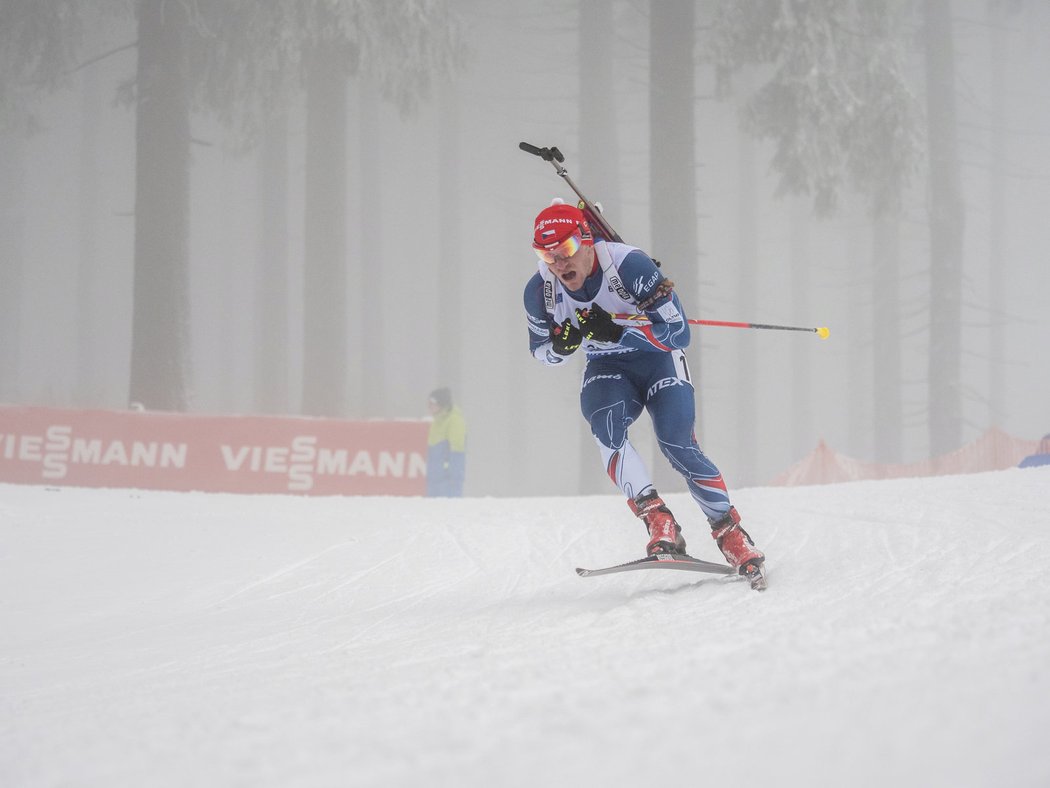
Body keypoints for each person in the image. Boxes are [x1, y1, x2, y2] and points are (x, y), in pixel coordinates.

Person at [522, 199, 765, 584]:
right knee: (605, 424)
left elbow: (678, 332)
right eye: (545, 254)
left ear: (586, 241)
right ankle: (658, 520)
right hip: (608, 368)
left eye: (566, 250)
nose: (558, 263)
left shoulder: (628, 266)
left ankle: (730, 532)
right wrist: (562, 347)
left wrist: (621, 331)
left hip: (658, 361)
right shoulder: (541, 290)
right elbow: (541, 354)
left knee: (676, 441)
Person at [426, 387, 466, 497]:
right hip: (435, 479)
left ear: (441, 404)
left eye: (432, 403)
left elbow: (457, 451)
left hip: (447, 480)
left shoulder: (454, 421)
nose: (429, 407)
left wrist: (453, 477)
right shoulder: (437, 422)